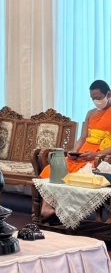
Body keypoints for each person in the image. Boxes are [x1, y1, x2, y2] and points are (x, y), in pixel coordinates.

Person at [40, 80, 111, 220]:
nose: (96, 101)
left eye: (98, 97)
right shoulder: (91, 113)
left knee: (81, 173)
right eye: (93, 98)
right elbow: (83, 137)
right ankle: (47, 208)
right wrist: (74, 151)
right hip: (83, 154)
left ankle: (67, 211)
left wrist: (96, 154)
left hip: (101, 157)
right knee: (54, 168)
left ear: (108, 94)